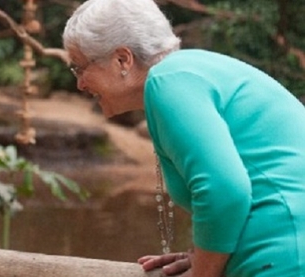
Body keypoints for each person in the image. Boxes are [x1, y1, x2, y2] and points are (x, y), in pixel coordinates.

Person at [63, 0, 305, 276]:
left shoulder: (168, 80)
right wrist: (205, 254)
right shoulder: (187, 73)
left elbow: (224, 191)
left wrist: (202, 272)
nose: (79, 83)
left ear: (122, 59)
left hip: (284, 255)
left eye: (80, 67)